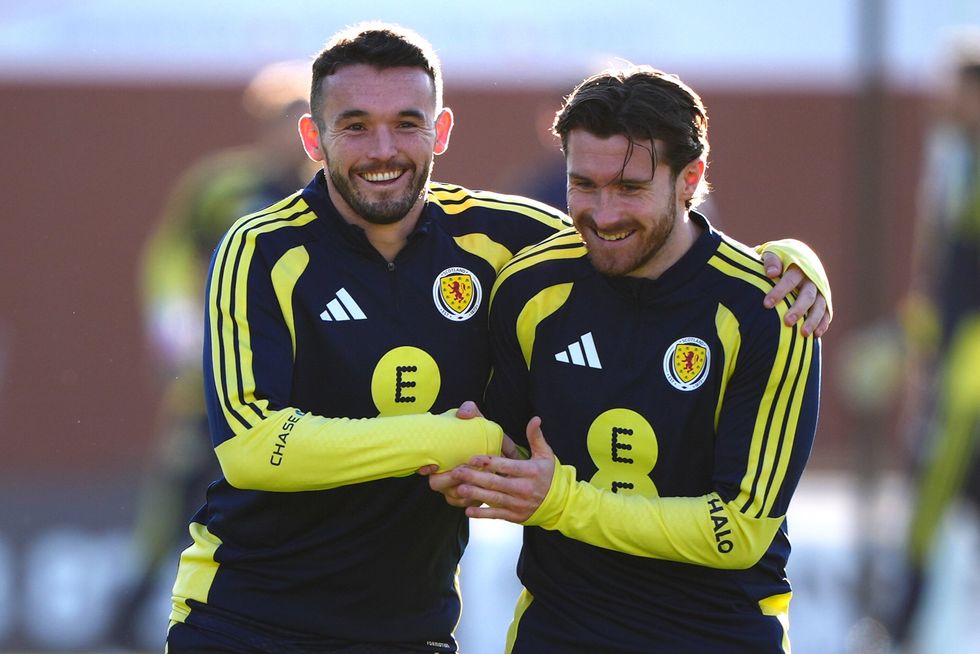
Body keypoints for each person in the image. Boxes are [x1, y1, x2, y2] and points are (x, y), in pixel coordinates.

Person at [166, 24, 831, 653]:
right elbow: (254, 450)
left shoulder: (506, 242)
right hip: (243, 616)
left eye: (407, 123)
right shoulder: (258, 247)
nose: (383, 150)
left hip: (411, 627)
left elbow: (641, 238)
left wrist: (787, 259)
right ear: (314, 137)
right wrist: (454, 438)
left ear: (442, 130)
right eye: (355, 126)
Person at [427, 66, 822, 654]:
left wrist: (561, 501)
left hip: (719, 636)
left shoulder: (771, 310)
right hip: (558, 633)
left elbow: (738, 530)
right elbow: (507, 445)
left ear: (692, 179)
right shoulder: (529, 288)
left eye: (630, 187)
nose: (603, 214)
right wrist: (467, 459)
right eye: (583, 185)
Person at [109, 61, 315, 649]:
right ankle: (132, 604)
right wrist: (172, 322)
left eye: (302, 119)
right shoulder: (221, 185)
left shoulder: (325, 196)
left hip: (292, 377)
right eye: (283, 117)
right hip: (213, 372)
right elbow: (168, 253)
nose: (291, 131)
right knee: (179, 485)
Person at [890, 33, 980, 650]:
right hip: (950, 346)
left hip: (969, 353)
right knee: (929, 487)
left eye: (957, 91)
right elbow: (932, 267)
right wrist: (918, 360)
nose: (945, 102)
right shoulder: (950, 153)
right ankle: (903, 627)